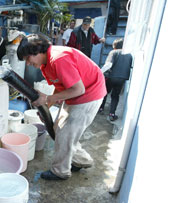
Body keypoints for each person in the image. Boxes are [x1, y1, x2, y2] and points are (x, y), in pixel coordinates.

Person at [17, 34, 106, 180]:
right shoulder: (46, 65)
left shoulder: (59, 59)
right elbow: (60, 86)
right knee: (58, 129)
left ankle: (60, 171)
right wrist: (47, 104)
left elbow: (79, 89)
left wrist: (48, 98)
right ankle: (81, 160)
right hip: (76, 94)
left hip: (89, 94)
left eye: (28, 58)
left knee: (65, 134)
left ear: (37, 51)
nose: (27, 63)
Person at [99, 38, 133, 121]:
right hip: (122, 79)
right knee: (115, 96)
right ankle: (112, 114)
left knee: (105, 93)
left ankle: (100, 108)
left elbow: (108, 64)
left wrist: (99, 72)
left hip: (111, 77)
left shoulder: (113, 52)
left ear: (115, 46)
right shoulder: (129, 55)